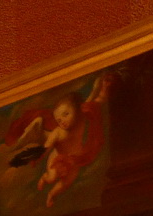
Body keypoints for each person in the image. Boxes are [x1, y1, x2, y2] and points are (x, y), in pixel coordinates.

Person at [7, 72, 114, 207]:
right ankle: (44, 178)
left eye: (65, 114)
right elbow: (46, 148)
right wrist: (35, 157)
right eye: (58, 119)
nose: (62, 121)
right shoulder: (57, 133)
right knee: (52, 178)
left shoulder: (82, 118)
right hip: (57, 158)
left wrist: (103, 87)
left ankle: (51, 194)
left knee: (67, 182)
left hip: (75, 159)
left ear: (76, 110)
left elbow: (97, 100)